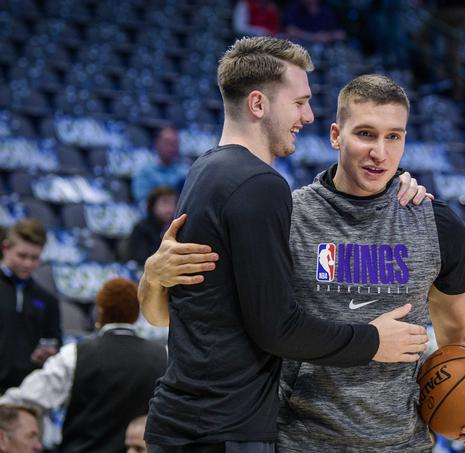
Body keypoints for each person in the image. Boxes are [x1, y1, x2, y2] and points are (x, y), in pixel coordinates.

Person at [142, 74, 465, 451]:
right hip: (296, 440)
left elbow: (459, 337)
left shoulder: (437, 223)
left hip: (401, 443)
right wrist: (152, 278)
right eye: (365, 134)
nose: (379, 152)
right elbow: (181, 317)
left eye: (392, 136)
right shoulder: (285, 214)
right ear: (335, 135)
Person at [138, 37, 429, 451]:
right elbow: (276, 327)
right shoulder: (261, 185)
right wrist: (373, 340)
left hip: (186, 420)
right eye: (299, 102)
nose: (308, 115)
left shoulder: (204, 169)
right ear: (258, 104)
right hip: (222, 428)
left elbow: (190, 308)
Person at [0, 278, 167, 453]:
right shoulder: (164, 356)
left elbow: (27, 397)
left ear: (99, 312)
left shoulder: (75, 354)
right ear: (137, 314)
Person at [0, 219, 61, 410]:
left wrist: (50, 353)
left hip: (30, 394)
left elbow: (55, 341)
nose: (27, 263)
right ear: (5, 248)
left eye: (35, 258)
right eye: (22, 255)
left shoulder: (47, 300)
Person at [131, 127, 187, 204]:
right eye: (167, 142)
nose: (171, 147)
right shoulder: (144, 173)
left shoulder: (185, 173)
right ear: (156, 143)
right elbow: (143, 203)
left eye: (175, 143)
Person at [129, 186, 178, 265]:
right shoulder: (141, 228)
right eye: (165, 203)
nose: (169, 209)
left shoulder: (178, 226)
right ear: (152, 205)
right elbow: (141, 258)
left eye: (173, 203)